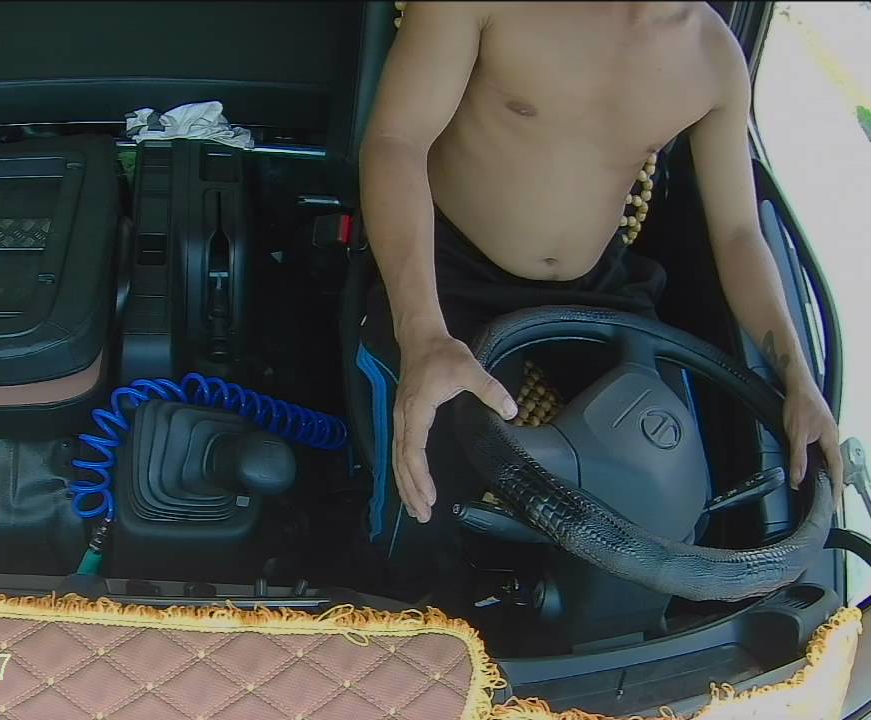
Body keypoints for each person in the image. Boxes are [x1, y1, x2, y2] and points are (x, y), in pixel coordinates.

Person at [356, 2, 843, 604]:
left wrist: (799, 378)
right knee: (424, 486)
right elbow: (396, 142)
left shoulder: (714, 57)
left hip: (598, 286)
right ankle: (402, 602)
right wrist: (423, 333)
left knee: (665, 475)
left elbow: (740, 234)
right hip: (447, 262)